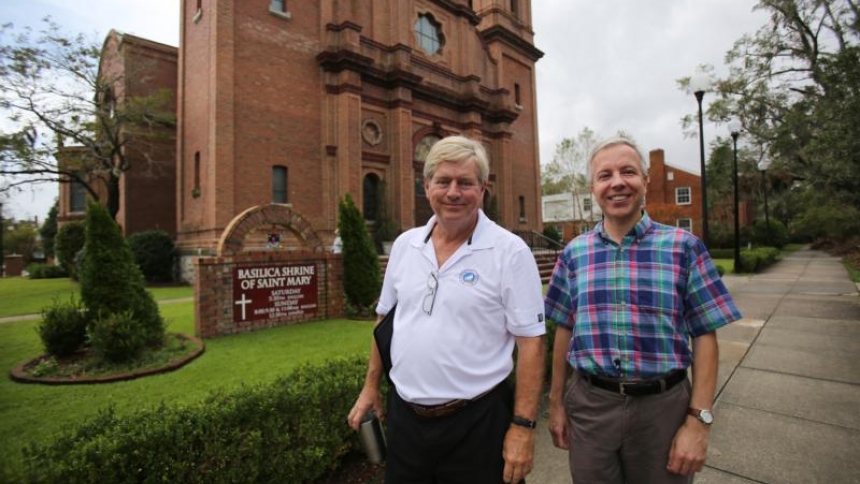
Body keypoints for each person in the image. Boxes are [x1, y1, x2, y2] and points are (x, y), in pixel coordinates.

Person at [347, 135, 546, 484]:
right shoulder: (406, 246)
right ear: (427, 187)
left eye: (466, 182)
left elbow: (530, 343)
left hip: (477, 422)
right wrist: (370, 387)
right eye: (444, 181)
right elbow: (385, 321)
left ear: (482, 189)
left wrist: (523, 427)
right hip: (405, 420)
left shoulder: (509, 252)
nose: (454, 192)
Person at [544, 137, 742, 483]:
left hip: (662, 409)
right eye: (605, 175)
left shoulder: (684, 248)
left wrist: (698, 421)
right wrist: (557, 404)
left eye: (628, 172)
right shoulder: (574, 254)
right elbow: (563, 329)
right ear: (593, 187)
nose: (617, 182)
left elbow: (705, 335)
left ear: (645, 182)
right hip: (590, 406)